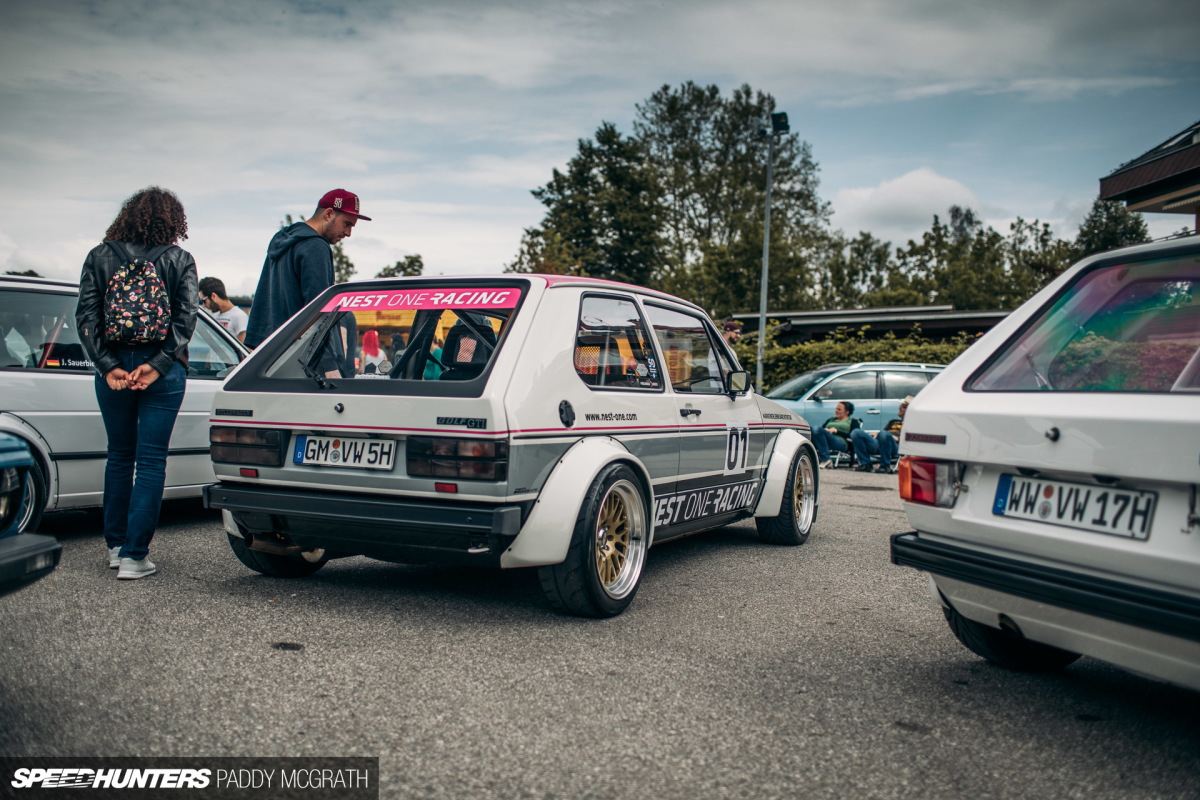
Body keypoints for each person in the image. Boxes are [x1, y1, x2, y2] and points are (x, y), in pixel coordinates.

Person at [75, 187, 199, 580]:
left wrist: (108, 365)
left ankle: (115, 546)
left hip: (113, 364)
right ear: (173, 221)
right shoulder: (180, 260)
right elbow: (186, 319)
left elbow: (86, 317)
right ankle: (134, 556)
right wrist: (159, 364)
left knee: (119, 456)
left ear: (127, 215)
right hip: (162, 369)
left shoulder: (100, 255)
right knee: (150, 461)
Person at [243, 188, 371, 348]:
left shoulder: (280, 240)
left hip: (267, 352)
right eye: (347, 224)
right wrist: (330, 365)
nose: (348, 233)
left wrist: (251, 343)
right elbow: (320, 311)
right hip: (298, 357)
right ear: (329, 213)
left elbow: (263, 296)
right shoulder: (316, 246)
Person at [850, 394, 912, 473]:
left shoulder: (912, 424)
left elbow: (912, 438)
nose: (900, 408)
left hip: (896, 446)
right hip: (881, 443)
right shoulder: (893, 421)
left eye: (903, 407)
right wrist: (876, 434)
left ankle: (885, 466)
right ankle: (865, 464)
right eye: (900, 406)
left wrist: (898, 438)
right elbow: (883, 433)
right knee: (856, 432)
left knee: (884, 434)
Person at [198, 276, 248, 342]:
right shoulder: (214, 316)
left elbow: (243, 348)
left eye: (204, 301)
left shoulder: (239, 316)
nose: (203, 305)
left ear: (213, 296)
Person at [811, 401, 859, 468]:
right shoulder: (831, 420)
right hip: (825, 440)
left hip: (840, 441)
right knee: (811, 428)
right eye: (836, 409)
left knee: (816, 429)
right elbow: (820, 431)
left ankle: (825, 459)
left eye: (839, 409)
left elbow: (854, 435)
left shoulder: (852, 421)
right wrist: (826, 430)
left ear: (847, 412)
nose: (836, 411)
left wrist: (837, 431)